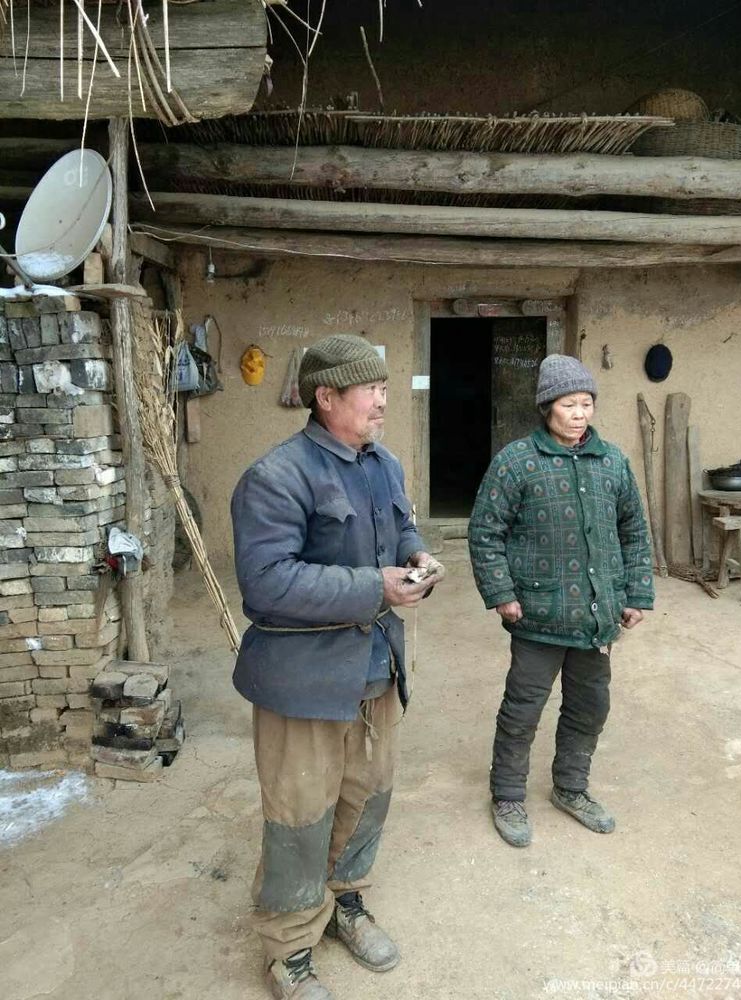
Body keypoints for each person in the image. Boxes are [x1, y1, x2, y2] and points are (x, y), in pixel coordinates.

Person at [231, 334, 444, 999]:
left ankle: (344, 903)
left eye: (385, 388)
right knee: (299, 814)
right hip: (304, 680)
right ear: (326, 398)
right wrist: (372, 587)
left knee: (367, 796)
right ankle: (290, 948)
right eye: (371, 389)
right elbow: (266, 584)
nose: (384, 400)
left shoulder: (383, 464)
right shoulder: (277, 476)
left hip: (376, 666)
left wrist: (417, 558)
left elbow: (400, 530)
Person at [468, 354, 653, 848]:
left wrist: (636, 593)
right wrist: (502, 593)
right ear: (547, 407)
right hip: (537, 614)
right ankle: (507, 794)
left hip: (597, 617)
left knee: (589, 706)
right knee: (523, 708)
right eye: (569, 404)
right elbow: (486, 531)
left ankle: (571, 789)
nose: (579, 413)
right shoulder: (516, 461)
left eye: (586, 403)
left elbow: (633, 530)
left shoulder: (611, 461)